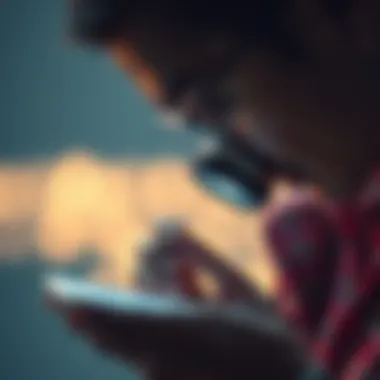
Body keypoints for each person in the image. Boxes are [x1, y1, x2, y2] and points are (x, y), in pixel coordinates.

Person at [57, 1, 380, 379]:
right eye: (198, 121)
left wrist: (284, 372)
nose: (251, 166)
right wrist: (275, 339)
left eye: (218, 101)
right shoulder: (324, 239)